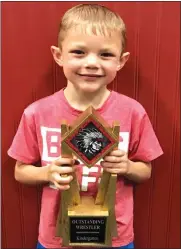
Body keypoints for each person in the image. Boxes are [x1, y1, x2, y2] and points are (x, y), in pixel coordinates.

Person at [7, 3, 163, 249]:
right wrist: (47, 172)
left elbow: (146, 170)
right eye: (79, 52)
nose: (92, 63)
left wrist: (128, 166)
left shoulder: (133, 112)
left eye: (105, 54)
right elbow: (20, 170)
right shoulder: (37, 113)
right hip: (55, 239)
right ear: (59, 55)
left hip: (115, 237)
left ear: (121, 61)